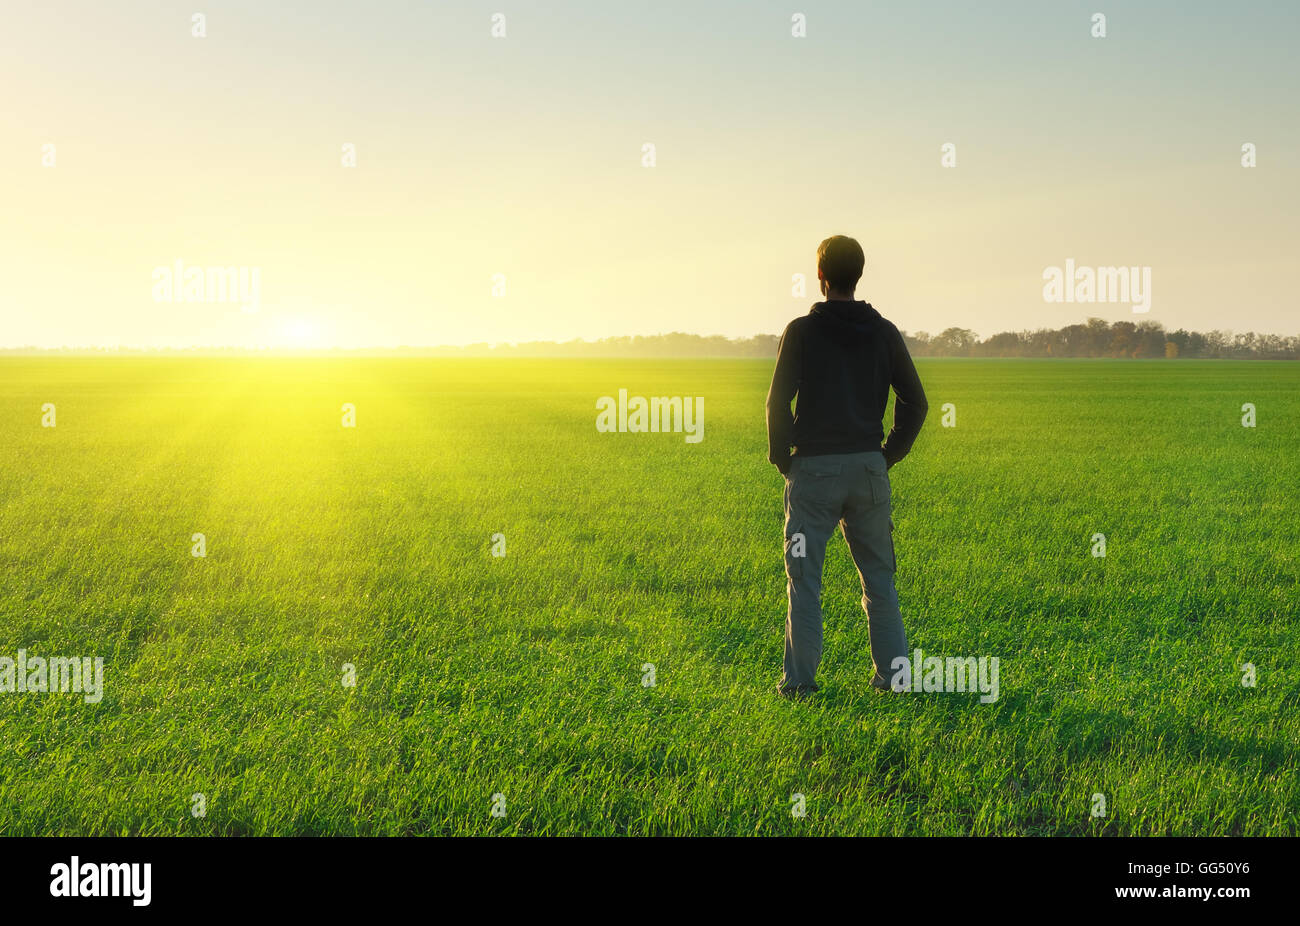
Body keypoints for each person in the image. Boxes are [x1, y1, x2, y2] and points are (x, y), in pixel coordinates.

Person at [766, 235, 928, 698]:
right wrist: (887, 455)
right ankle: (894, 680)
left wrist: (784, 461)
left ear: (820, 277)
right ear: (859, 276)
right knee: (879, 580)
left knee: (804, 581)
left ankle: (799, 685)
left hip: (813, 470)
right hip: (868, 469)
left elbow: (778, 402)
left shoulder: (800, 331)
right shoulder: (884, 332)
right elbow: (915, 403)